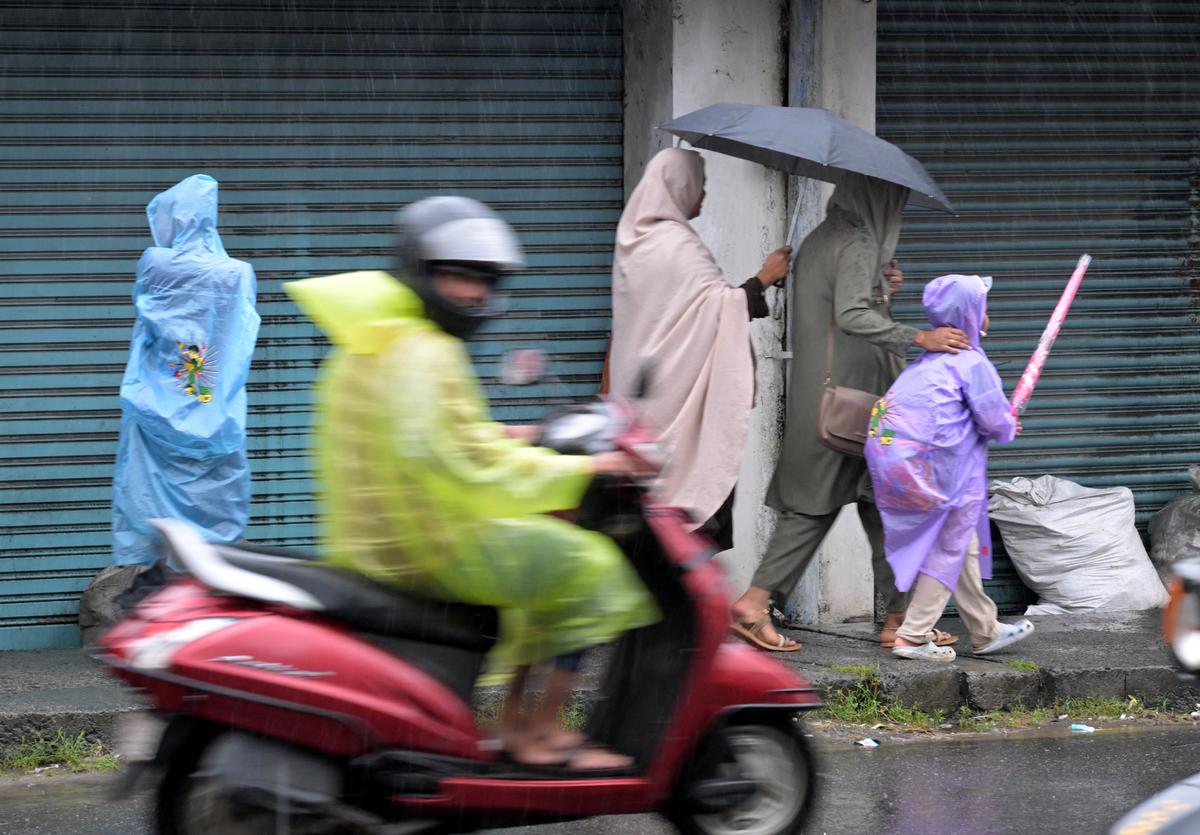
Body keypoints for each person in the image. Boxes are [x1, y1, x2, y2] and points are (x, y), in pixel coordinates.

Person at [284, 196, 658, 770]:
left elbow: (436, 439)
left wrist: (518, 434)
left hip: (390, 537)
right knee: (590, 567)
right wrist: (589, 468)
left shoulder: (378, 339)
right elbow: (466, 470)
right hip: (430, 544)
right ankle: (539, 731)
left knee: (544, 563)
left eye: (482, 279)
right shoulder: (424, 354)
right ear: (421, 269)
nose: (474, 294)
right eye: (458, 277)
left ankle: (510, 721)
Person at [731, 173, 969, 652]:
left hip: (839, 398)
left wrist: (882, 288)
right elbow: (851, 317)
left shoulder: (823, 238)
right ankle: (754, 605)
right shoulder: (858, 241)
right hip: (851, 402)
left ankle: (901, 619)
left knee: (882, 505)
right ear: (878, 199)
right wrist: (919, 337)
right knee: (814, 509)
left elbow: (843, 306)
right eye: (894, 199)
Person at [609, 148, 791, 549]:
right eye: (701, 186)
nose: (703, 196)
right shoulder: (676, 243)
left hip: (639, 396)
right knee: (684, 503)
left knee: (645, 509)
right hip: (677, 400)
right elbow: (717, 308)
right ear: (680, 186)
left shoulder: (634, 240)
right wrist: (764, 277)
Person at [865, 274, 1034, 661]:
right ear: (970, 313)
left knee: (962, 545)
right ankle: (913, 634)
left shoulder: (926, 363)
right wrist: (1008, 422)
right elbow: (994, 422)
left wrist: (1001, 421)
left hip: (901, 466)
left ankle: (984, 629)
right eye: (983, 306)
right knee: (949, 547)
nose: (987, 313)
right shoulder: (972, 362)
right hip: (945, 473)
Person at [111, 174, 260, 567]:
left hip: (157, 402)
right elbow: (235, 339)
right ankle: (213, 571)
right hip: (214, 406)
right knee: (214, 499)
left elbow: (152, 328)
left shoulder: (155, 264)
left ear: (175, 218)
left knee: (148, 498)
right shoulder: (238, 273)